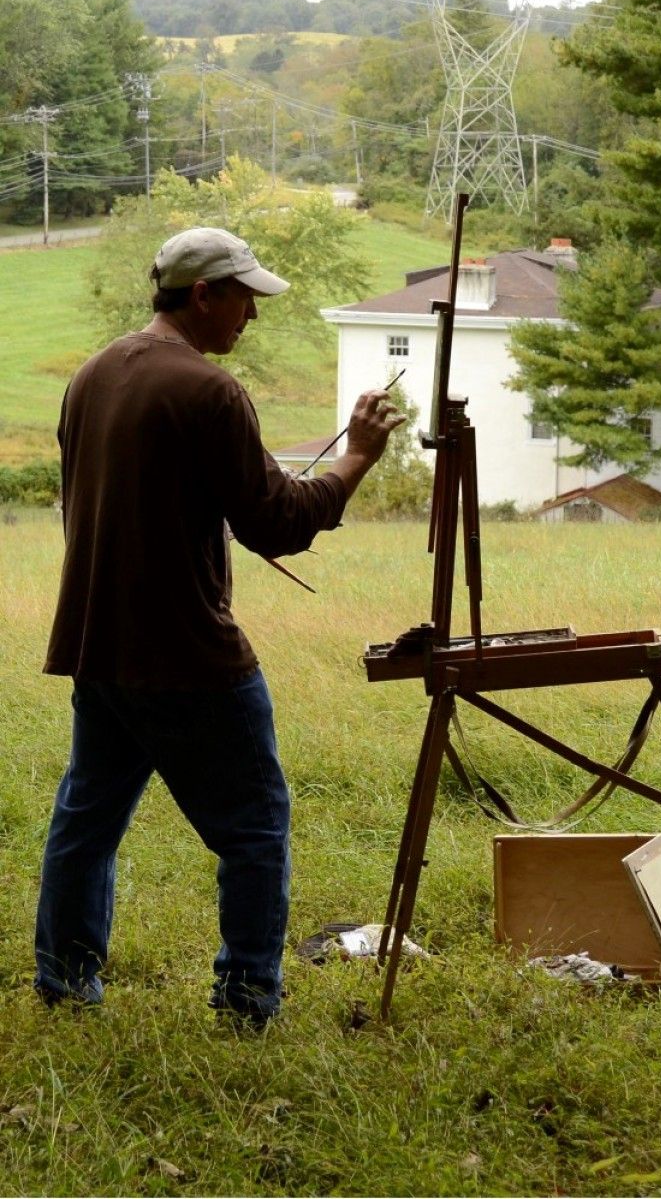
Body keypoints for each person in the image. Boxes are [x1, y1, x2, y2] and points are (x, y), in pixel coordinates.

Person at [33, 226, 405, 1024]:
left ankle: (65, 983)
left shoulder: (93, 374)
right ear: (203, 295)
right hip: (188, 654)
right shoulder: (210, 391)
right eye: (244, 299)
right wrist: (359, 457)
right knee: (256, 827)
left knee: (87, 820)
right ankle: (246, 998)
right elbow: (276, 521)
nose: (252, 317)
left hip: (99, 644)